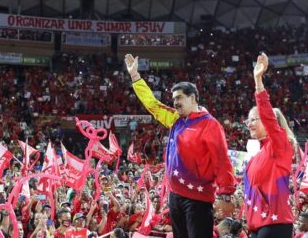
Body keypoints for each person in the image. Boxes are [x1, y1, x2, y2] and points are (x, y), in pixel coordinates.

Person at [124, 54, 236, 238]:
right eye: (173, 98)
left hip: (198, 198)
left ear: (193, 98)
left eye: (179, 98)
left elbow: (222, 161)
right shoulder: (176, 119)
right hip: (175, 196)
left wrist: (226, 194)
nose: (175, 102)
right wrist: (135, 76)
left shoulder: (210, 125)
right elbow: (152, 104)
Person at [244, 53, 296, 238]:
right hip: (255, 225)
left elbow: (267, 114)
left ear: (268, 121)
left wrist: (258, 80)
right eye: (247, 121)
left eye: (253, 119)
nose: (249, 124)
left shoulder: (279, 145)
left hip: (275, 223)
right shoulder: (255, 157)